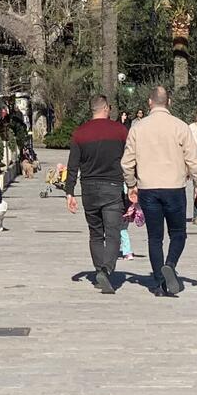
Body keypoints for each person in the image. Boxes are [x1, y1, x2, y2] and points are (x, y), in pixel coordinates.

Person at [121, 86, 197, 298]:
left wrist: (131, 184)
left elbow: (127, 162)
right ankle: (170, 264)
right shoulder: (180, 126)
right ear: (169, 102)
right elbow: (193, 159)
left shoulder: (138, 128)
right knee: (178, 233)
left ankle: (159, 283)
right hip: (174, 188)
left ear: (150, 102)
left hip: (148, 189)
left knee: (154, 237)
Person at [64, 94, 129, 294]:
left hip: (89, 188)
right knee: (113, 233)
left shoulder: (80, 133)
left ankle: (100, 269)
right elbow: (129, 159)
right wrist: (134, 185)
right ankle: (107, 270)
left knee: (95, 233)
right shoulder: (120, 131)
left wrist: (69, 192)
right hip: (112, 186)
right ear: (106, 108)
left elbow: (73, 165)